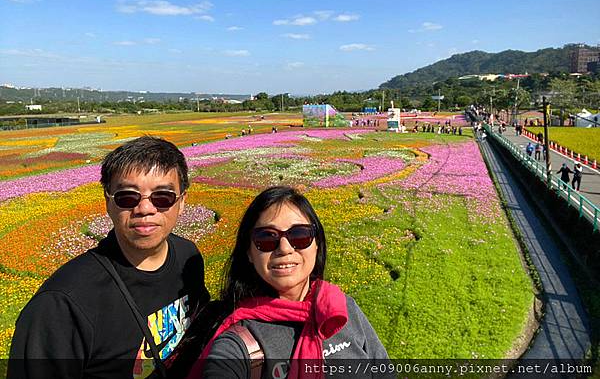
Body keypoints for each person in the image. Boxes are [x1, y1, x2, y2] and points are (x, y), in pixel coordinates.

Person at [9, 136, 210, 379]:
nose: (145, 209)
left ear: (182, 201)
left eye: (162, 197)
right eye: (127, 197)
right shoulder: (60, 306)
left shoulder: (188, 258)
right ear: (108, 202)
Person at [191, 186, 389, 378]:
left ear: (317, 244)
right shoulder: (241, 338)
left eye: (299, 235)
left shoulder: (341, 307)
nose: (285, 248)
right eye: (267, 237)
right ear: (249, 253)